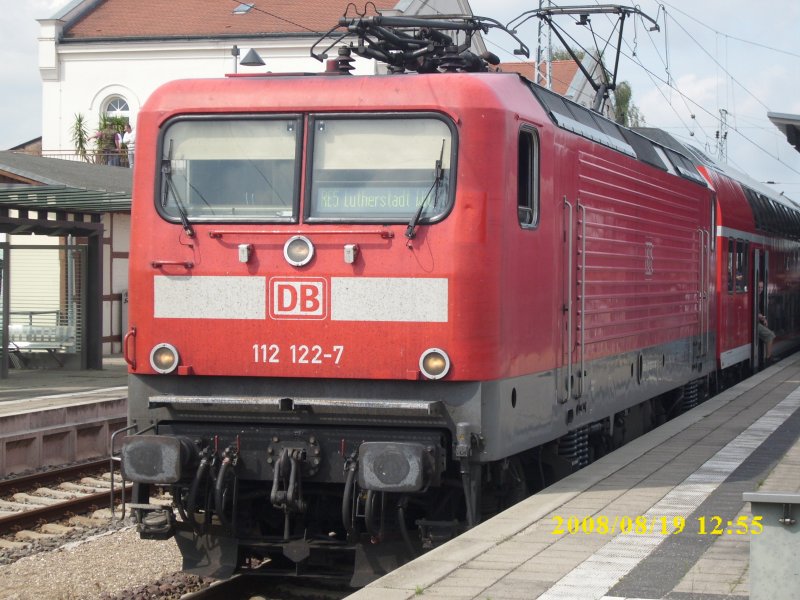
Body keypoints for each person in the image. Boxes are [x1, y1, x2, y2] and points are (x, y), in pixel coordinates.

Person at [757, 281, 775, 361]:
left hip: (756, 321)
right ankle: (768, 358)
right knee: (770, 335)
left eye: (761, 287)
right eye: (758, 287)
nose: (760, 289)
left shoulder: (758, 296)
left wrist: (762, 318)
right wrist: (761, 317)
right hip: (754, 324)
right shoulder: (756, 296)